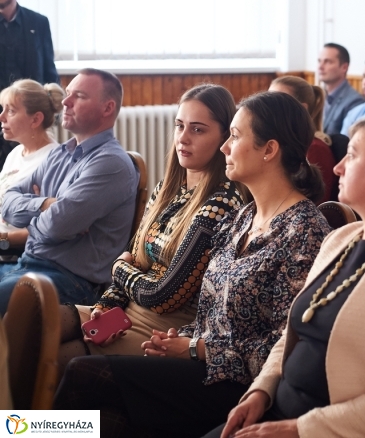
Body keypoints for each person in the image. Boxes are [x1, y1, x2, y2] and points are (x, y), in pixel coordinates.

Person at [54, 91, 331, 438]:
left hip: (239, 385)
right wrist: (178, 340)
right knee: (106, 409)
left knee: (84, 373)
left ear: (269, 149)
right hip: (197, 359)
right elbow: (208, 313)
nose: (226, 147)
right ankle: (17, 430)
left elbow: (283, 348)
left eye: (235, 136)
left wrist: (195, 349)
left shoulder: (302, 231)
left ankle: (19, 432)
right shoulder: (246, 216)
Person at [208, 115, 365, 438]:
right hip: (282, 414)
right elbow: (291, 336)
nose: (338, 167)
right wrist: (260, 392)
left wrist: (299, 429)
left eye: (353, 155)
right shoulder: (340, 239)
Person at [56, 84, 244, 367]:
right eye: (179, 126)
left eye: (197, 129)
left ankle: (30, 414)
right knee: (35, 323)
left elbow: (164, 297)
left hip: (165, 328)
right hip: (128, 310)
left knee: (57, 358)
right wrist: (106, 306)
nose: (182, 138)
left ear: (224, 137)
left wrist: (118, 268)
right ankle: (14, 413)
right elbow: (137, 258)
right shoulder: (166, 190)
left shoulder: (221, 204)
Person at [0, 68, 137, 313]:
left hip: (73, 281)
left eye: (79, 96)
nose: (65, 101)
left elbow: (56, 226)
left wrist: (37, 221)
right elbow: (7, 202)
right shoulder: (59, 153)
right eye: (68, 94)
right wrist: (44, 205)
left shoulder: (110, 163)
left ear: (107, 108)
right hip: (29, 264)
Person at [0, 0, 60, 169]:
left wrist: (54, 107)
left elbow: (49, 70)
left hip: (31, 119)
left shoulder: (38, 23)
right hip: (3, 118)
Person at [0, 79, 64, 262]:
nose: (1, 117)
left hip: (16, 254)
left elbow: (50, 227)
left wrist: (3, 241)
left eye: (11, 111)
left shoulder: (53, 160)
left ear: (36, 119)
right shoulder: (16, 153)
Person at [270, 75, 336, 202]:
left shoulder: (315, 148)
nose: (269, 108)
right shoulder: (280, 143)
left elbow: (314, 203)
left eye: (279, 101)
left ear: (301, 109)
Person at [318, 43, 365, 135]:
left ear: (344, 67)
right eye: (319, 61)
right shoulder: (317, 95)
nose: (320, 67)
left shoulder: (354, 101)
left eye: (327, 62)